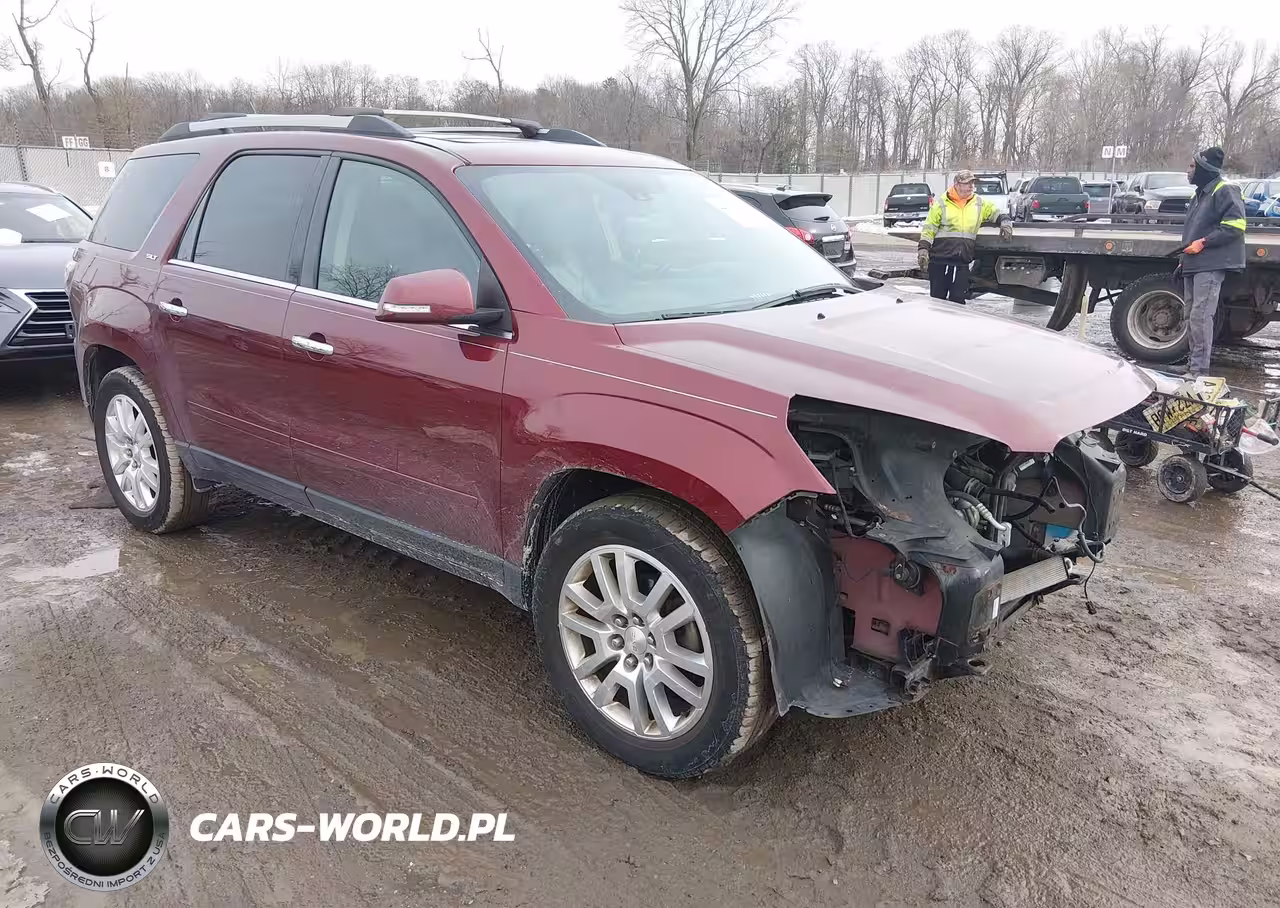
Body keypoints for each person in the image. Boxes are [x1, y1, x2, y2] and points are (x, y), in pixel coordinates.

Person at [1179, 145, 1247, 376]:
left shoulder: (1225, 189)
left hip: (1211, 262)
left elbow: (1236, 226)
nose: (1188, 170)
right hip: (1194, 262)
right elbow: (1193, 230)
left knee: (1200, 317)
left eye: (1192, 166)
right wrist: (1185, 258)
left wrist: (1203, 243)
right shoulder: (1200, 193)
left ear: (1204, 169)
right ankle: (1192, 366)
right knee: (1191, 316)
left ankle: (1199, 372)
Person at [917, 169, 1013, 304]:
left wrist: (1005, 222)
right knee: (937, 303)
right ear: (956, 184)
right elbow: (929, 228)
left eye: (972, 183)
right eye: (967, 183)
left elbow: (997, 213)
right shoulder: (941, 203)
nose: (971, 186)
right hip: (940, 262)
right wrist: (923, 249)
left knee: (958, 302)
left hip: (961, 262)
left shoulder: (979, 203)